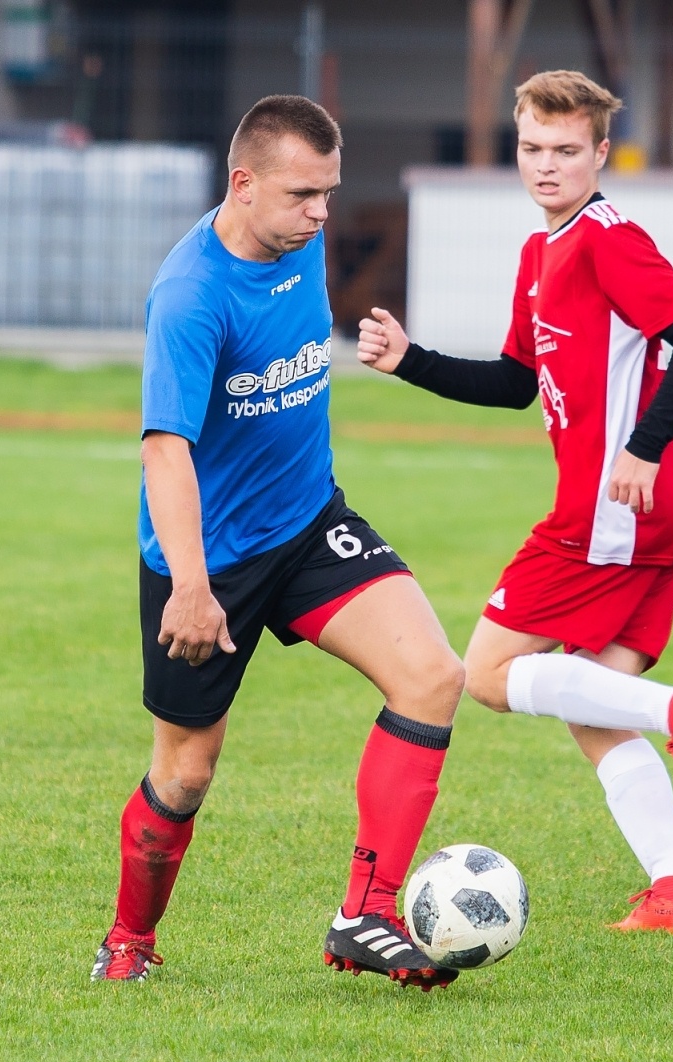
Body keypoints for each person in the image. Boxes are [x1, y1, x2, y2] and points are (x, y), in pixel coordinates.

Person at [92, 95, 466, 988]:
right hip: (208, 564)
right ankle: (128, 940)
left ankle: (365, 916)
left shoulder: (300, 241)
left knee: (434, 675)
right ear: (243, 183)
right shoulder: (190, 295)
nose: (323, 213)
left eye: (330, 193)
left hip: (307, 523)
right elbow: (165, 449)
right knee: (184, 774)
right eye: (304, 194)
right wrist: (190, 583)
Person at [358, 70, 673, 931]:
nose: (546, 165)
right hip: (639, 516)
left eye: (567, 151)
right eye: (532, 148)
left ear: (600, 153)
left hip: (611, 514)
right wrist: (411, 359)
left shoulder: (609, 238)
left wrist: (642, 446)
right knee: (587, 702)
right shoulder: (541, 252)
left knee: (486, 674)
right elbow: (516, 383)